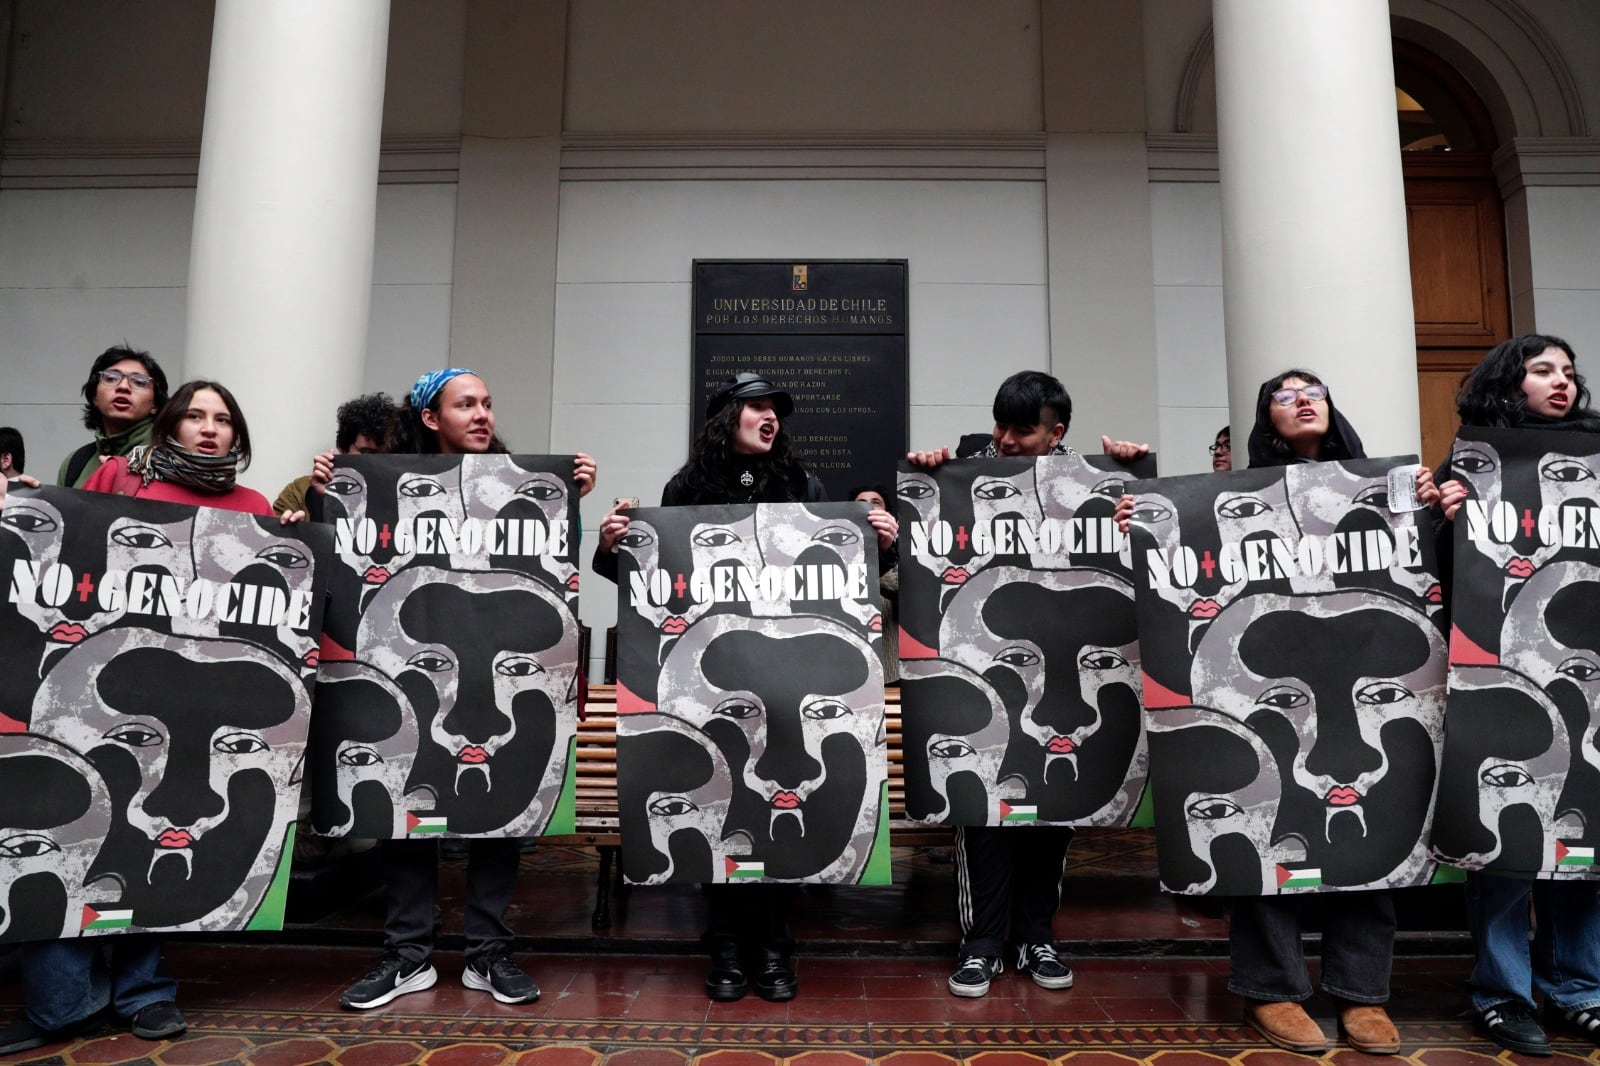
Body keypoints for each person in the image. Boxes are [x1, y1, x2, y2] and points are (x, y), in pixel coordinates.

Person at [1121, 370, 1438, 1055]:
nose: (1303, 399)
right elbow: (1181, 573)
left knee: (1371, 827)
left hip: (1358, 685)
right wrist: (1139, 519)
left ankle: (1362, 993)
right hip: (1270, 696)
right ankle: (1274, 989)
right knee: (1270, 824)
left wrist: (1441, 505)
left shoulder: (1392, 494)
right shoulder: (1227, 502)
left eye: (1313, 390)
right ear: (1265, 419)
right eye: (1285, 393)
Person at [0, 378, 290, 1057]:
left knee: (152, 843)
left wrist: (296, 544)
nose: (209, 429)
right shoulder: (120, 484)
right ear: (169, 429)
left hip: (192, 713)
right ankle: (63, 1003)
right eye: (195, 416)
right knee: (75, 839)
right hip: (99, 700)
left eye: (223, 420)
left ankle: (143, 993)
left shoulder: (254, 508)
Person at [594, 372, 897, 1004]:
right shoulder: (686, 489)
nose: (771, 418)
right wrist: (609, 550)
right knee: (724, 806)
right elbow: (655, 579)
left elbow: (842, 578)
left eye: (776, 410)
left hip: (787, 683)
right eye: (757, 407)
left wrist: (884, 550)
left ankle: (775, 948)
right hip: (718, 682)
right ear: (726, 415)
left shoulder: (803, 485)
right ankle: (727, 946)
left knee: (776, 803)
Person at [334, 368, 596, 1012]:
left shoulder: (526, 486)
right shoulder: (390, 488)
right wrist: (327, 497)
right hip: (418, 678)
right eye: (465, 405)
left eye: (486, 403)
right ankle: (407, 955)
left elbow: (556, 576)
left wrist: (573, 500)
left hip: (497, 677)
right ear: (431, 418)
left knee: (498, 814)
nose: (482, 414)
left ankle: (488, 952)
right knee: (406, 810)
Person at [906, 369, 1147, 1000]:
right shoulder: (962, 468)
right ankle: (981, 943)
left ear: (1057, 432)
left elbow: (1152, 559)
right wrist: (930, 473)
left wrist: (1136, 483)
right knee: (984, 817)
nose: (1007, 440)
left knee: (1052, 815)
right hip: (996, 677)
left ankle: (1036, 935)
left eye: (1023, 430)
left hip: (1069, 684)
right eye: (1000, 426)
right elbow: (923, 567)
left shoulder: (1096, 480)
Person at [1434, 334, 1600, 1056]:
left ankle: (1577, 989)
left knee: (1585, 834)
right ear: (1510, 383)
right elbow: (1440, 575)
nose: (1561, 382)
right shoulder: (1473, 466)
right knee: (1508, 835)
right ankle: (1502, 994)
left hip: (1589, 675)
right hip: (1497, 676)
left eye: (1568, 372)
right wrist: (1440, 518)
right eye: (1542, 371)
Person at [56, 346, 171, 489]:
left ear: (155, 404)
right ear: (95, 397)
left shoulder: (172, 459)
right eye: (111, 378)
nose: (123, 386)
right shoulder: (76, 462)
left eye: (139, 382)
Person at [273, 392, 394, 516]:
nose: (376, 461)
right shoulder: (299, 493)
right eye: (366, 453)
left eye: (384, 455)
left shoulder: (399, 496)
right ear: (342, 448)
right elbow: (276, 529)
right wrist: (292, 529)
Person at [849, 483, 900, 684]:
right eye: (860, 504)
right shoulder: (836, 552)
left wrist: (884, 552)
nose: (868, 508)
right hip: (853, 671)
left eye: (876, 503)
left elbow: (904, 591)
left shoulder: (905, 551)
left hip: (891, 671)